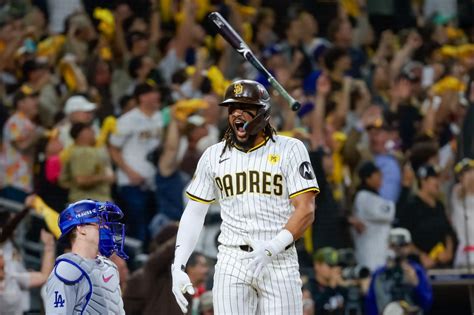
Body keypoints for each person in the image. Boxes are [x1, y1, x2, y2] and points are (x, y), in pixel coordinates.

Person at [171, 80, 319, 314]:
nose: (237, 113)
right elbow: (194, 212)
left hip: (278, 258)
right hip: (232, 259)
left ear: (263, 113)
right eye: (232, 108)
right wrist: (178, 263)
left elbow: (307, 209)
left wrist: (272, 247)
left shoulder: (290, 149)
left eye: (245, 107)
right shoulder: (213, 155)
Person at [44, 199, 128, 314]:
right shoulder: (67, 270)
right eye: (101, 223)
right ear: (81, 228)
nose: (107, 228)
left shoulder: (110, 268)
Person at [109, 81, 162, 242]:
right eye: (153, 93)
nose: (158, 96)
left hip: (153, 181)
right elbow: (113, 148)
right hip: (131, 183)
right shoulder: (128, 120)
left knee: (153, 226)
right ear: (143, 97)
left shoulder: (159, 117)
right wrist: (130, 172)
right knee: (138, 228)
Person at [398, 164, 456, 268]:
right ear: (423, 181)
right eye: (435, 178)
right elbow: (403, 238)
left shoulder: (439, 205)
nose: (439, 182)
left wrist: (449, 251)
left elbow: (448, 232)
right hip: (418, 267)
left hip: (443, 265)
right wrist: (421, 255)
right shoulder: (411, 206)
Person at [366, 228, 433, 315]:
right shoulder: (379, 274)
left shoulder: (416, 271)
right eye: (393, 245)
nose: (397, 249)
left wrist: (416, 285)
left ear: (409, 246)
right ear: (388, 246)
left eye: (402, 245)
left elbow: (426, 304)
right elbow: (371, 305)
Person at [351, 161, 396, 271]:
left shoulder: (373, 196)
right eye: (377, 175)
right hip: (369, 254)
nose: (381, 178)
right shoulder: (363, 196)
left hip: (378, 251)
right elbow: (388, 213)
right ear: (368, 178)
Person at [307, 247, 345, 315]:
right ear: (317, 265)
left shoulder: (339, 285)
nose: (335, 269)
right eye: (330, 265)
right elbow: (315, 309)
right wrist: (331, 287)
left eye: (337, 265)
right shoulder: (309, 287)